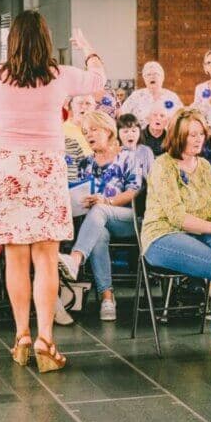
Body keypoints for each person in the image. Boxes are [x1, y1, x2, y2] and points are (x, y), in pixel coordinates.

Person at [0, 9, 105, 373]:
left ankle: (21, 336)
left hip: (6, 171)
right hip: (46, 170)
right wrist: (88, 48)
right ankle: (45, 341)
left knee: (16, 258)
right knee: (46, 259)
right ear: (46, 41)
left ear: (11, 42)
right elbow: (98, 81)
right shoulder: (59, 77)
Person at [142, 109, 211, 364]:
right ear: (177, 136)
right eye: (191, 134)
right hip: (162, 236)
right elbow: (177, 218)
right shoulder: (163, 165)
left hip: (199, 233)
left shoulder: (203, 166)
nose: (197, 139)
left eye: (201, 133)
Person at [58, 112, 142, 322]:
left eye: (93, 130)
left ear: (108, 129)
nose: (89, 135)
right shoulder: (86, 162)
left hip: (127, 217)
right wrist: (83, 200)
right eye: (85, 132)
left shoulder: (128, 156)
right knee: (99, 235)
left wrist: (107, 201)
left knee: (100, 210)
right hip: (96, 221)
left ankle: (75, 259)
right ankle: (107, 297)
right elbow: (79, 189)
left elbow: (134, 190)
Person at [119, 61, 181, 125]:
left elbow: (180, 118)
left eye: (156, 74)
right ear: (144, 78)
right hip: (141, 134)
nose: (152, 77)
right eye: (148, 75)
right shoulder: (136, 96)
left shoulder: (172, 97)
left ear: (163, 77)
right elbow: (122, 115)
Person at [117, 113, 155, 181]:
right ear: (118, 133)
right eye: (125, 131)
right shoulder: (114, 153)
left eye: (134, 131)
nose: (130, 134)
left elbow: (152, 176)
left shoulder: (146, 151)